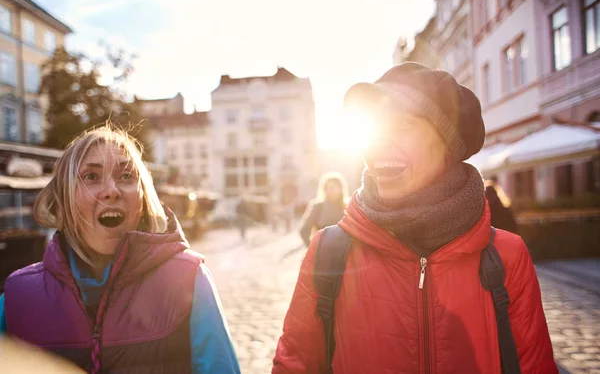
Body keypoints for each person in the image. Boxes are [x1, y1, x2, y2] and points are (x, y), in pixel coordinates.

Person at [272, 63, 557, 373]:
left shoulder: (505, 256)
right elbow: (294, 365)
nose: (377, 144)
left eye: (402, 127)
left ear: (448, 144)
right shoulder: (329, 252)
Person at [0, 126, 240, 374]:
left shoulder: (189, 280)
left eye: (126, 176)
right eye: (91, 177)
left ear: (143, 198)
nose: (111, 191)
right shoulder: (17, 297)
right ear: (64, 198)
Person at [299, 172, 348, 246]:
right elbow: (304, 231)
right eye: (327, 187)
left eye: (333, 187)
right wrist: (313, 249)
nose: (330, 190)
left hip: (346, 254)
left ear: (341, 188)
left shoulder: (348, 207)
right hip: (323, 253)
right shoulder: (318, 207)